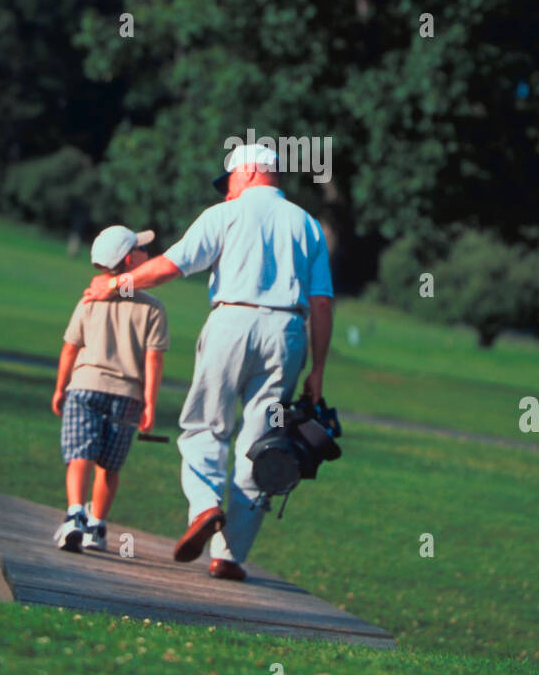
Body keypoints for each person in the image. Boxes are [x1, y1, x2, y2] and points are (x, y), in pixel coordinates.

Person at [83, 144, 334, 581]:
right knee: (262, 443)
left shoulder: (224, 216)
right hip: (287, 336)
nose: (226, 191)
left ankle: (203, 509)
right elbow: (322, 303)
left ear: (252, 171)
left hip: (231, 324)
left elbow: (168, 267)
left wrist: (117, 286)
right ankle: (229, 556)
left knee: (204, 427)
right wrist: (317, 370)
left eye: (230, 180)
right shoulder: (308, 225)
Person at [52, 224, 169, 552]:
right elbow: (154, 361)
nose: (150, 254)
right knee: (109, 464)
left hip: (85, 387)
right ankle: (96, 526)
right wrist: (149, 402)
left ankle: (75, 513)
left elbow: (70, 347)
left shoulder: (89, 300)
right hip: (127, 397)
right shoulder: (153, 308)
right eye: (143, 250)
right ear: (132, 260)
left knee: (80, 455)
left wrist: (60, 388)